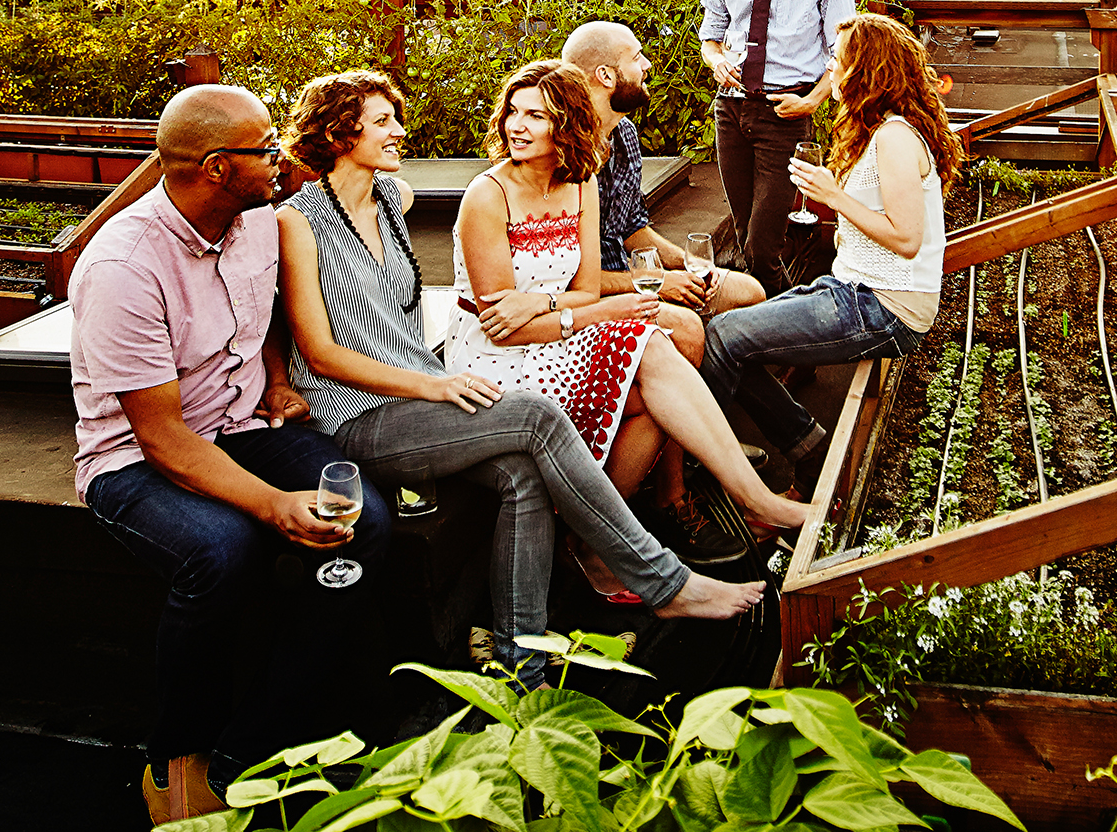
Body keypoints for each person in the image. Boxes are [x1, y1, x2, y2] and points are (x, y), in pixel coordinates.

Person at [275, 70, 764, 683]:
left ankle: (520, 660)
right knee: (535, 416)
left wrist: (449, 370)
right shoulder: (298, 221)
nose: (401, 132)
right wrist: (435, 385)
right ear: (337, 134)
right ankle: (661, 579)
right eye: (383, 123)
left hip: (428, 390)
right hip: (357, 412)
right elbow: (317, 353)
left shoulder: (392, 201)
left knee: (524, 475)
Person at [71, 84, 390, 826]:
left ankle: (258, 739)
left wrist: (277, 379)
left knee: (364, 520)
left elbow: (267, 308)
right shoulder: (123, 264)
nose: (281, 157)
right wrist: (274, 503)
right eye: (265, 147)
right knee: (224, 548)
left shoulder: (254, 222)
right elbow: (163, 438)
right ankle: (176, 754)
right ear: (217, 166)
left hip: (246, 423)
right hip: (135, 459)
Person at [446, 59, 811, 548]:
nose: (517, 125)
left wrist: (549, 302)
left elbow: (584, 288)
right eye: (513, 112)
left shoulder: (581, 182)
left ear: (567, 122)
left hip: (556, 332)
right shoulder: (486, 196)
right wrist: (601, 312)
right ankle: (737, 500)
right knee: (654, 353)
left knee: (658, 360)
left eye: (535, 115)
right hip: (497, 356)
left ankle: (624, 529)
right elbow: (507, 329)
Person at [702, 13, 962, 491]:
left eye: (838, 60)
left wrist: (835, 198)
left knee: (722, 337)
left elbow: (907, 239)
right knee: (730, 332)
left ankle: (707, 468)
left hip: (883, 308)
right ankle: (808, 449)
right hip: (852, 288)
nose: (830, 68)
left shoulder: (896, 138)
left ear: (867, 71)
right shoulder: (879, 130)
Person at [560, 21, 768, 561]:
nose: (648, 65)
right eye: (637, 56)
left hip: (636, 271)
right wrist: (657, 283)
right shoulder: (563, 150)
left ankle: (702, 438)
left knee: (746, 293)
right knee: (685, 327)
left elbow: (634, 229)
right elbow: (571, 278)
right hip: (590, 297)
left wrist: (689, 263)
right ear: (606, 75)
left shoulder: (624, 133)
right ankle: (673, 497)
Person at [701, 0, 855, 296]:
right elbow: (711, 35)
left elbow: (842, 49)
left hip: (783, 114)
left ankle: (785, 337)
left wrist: (811, 101)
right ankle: (773, 339)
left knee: (761, 245)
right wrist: (716, 60)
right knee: (750, 243)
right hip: (730, 111)